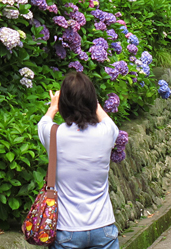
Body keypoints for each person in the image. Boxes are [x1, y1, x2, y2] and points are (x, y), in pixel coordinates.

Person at [38, 72, 121, 249]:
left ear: (63, 105)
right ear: (92, 102)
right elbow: (105, 119)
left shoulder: (54, 134)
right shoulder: (107, 132)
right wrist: (92, 101)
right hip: (103, 226)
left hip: (66, 229)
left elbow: (44, 122)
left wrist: (54, 106)